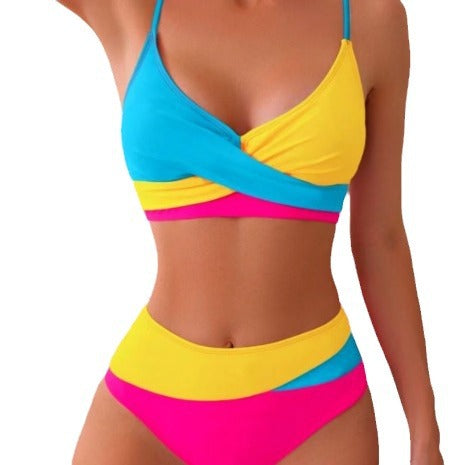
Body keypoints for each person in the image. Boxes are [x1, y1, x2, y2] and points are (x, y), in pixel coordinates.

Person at [57, 1, 443, 464]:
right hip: (150, 409)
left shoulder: (371, 19)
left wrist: (424, 431)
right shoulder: (133, 7)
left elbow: (381, 238)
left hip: (316, 408)